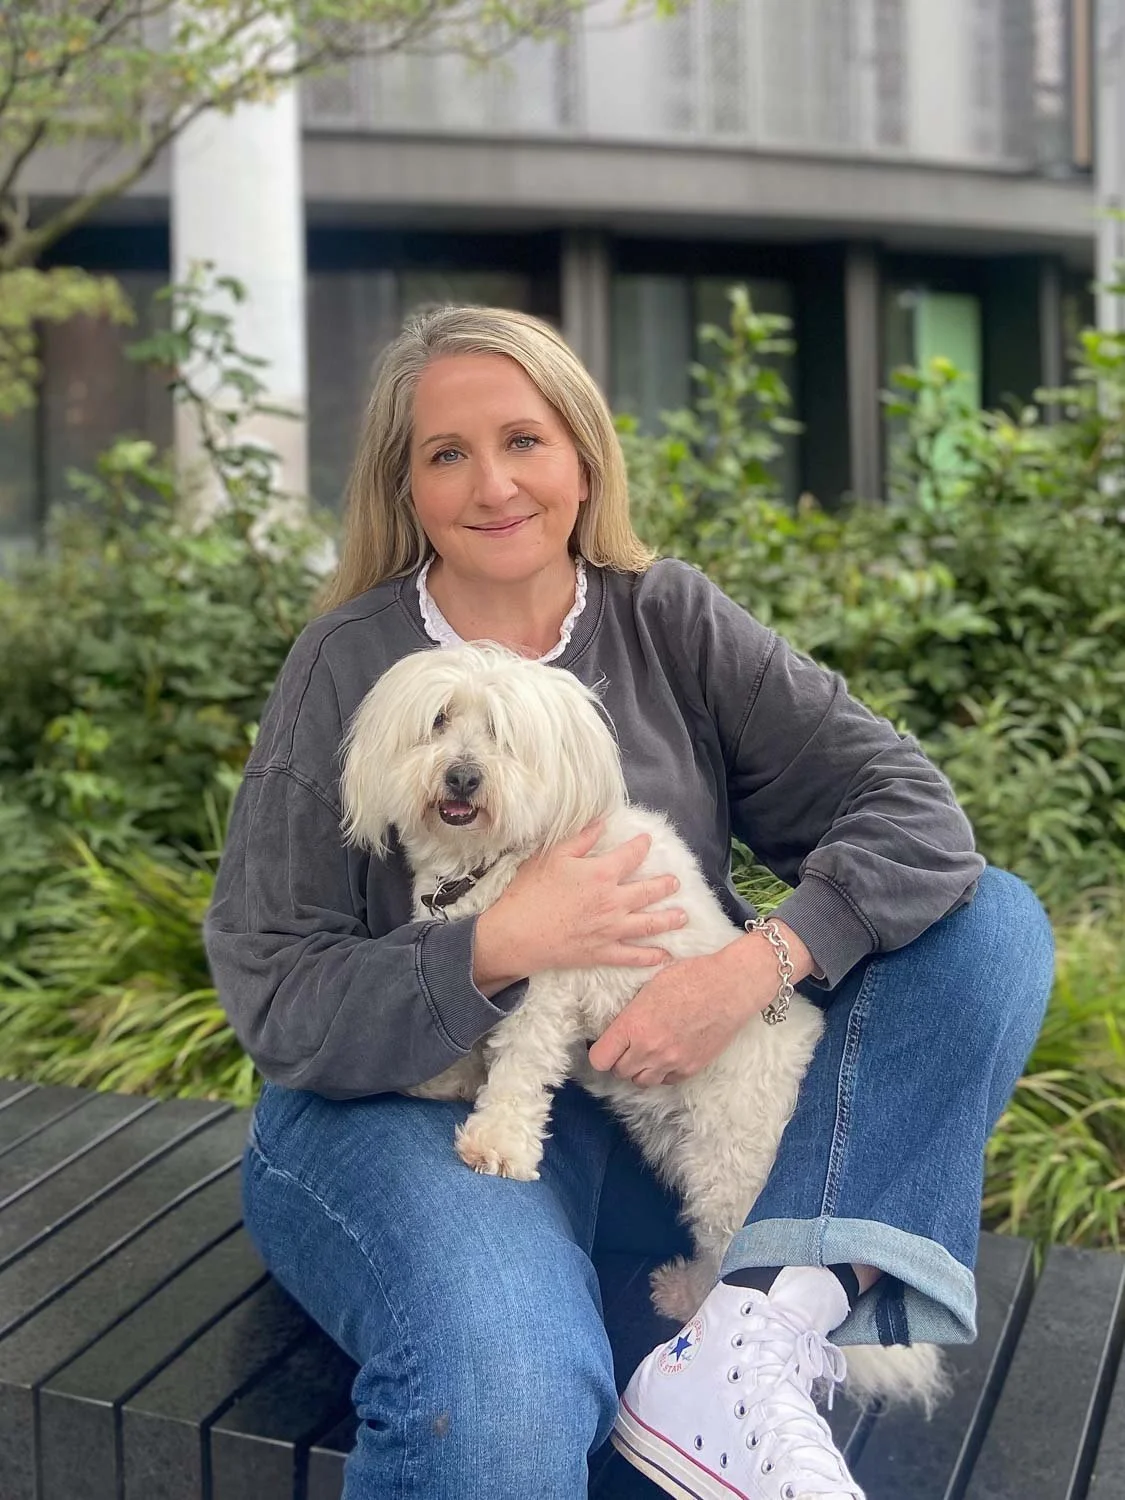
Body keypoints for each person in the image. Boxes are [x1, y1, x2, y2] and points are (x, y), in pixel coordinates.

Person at [204, 304, 1054, 1500]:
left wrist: (746, 972)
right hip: (410, 1109)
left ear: (584, 453)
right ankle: (722, 1324)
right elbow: (272, 987)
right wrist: (495, 944)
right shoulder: (346, 664)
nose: (493, 483)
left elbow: (912, 813)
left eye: (524, 440)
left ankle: (763, 1319)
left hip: (666, 1079)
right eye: (447, 453)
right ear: (406, 485)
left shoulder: (665, 617)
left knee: (992, 924)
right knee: (501, 1396)